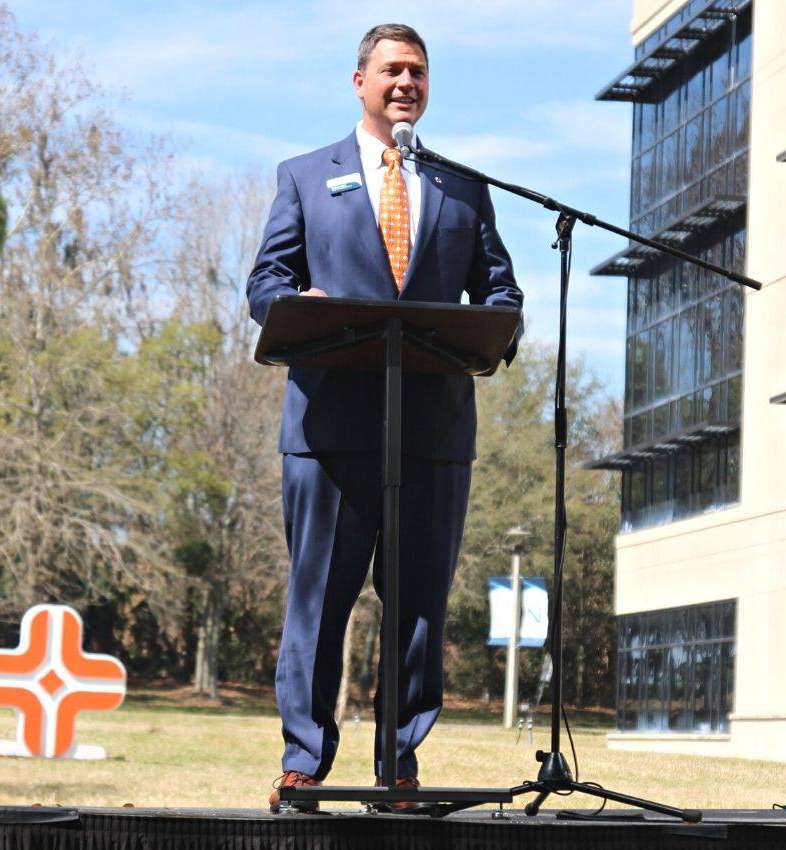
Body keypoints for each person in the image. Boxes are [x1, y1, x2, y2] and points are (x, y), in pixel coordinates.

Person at [246, 23, 524, 811]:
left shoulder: (463, 187)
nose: (407, 83)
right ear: (359, 80)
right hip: (329, 429)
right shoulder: (304, 177)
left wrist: (496, 330)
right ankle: (305, 757)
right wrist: (294, 304)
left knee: (417, 609)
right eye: (393, 70)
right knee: (319, 603)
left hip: (432, 432)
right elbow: (266, 282)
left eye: (419, 73)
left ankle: (399, 767)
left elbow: (501, 292)